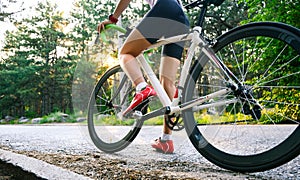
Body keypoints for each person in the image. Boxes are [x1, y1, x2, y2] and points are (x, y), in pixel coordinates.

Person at [98, 0, 189, 154]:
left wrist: (112, 19)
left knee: (126, 53)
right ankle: (166, 140)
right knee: (167, 83)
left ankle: (142, 88)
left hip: (165, 8)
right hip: (181, 19)